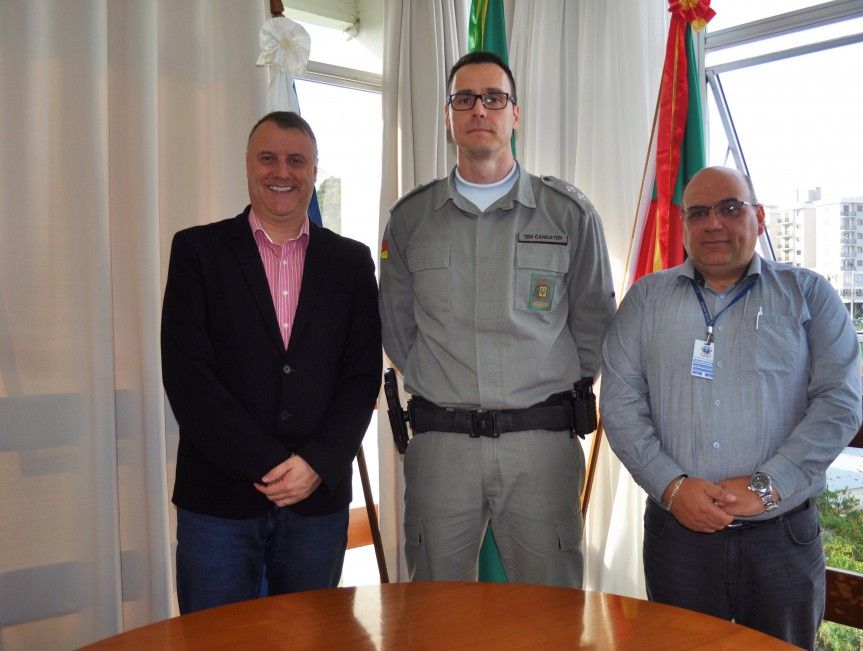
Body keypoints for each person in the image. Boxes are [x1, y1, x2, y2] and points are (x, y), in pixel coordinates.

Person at [378, 51, 616, 587]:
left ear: (515, 113)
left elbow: (594, 321)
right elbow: (398, 326)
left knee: (551, 614)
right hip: (442, 446)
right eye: (464, 99)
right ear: (448, 116)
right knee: (435, 616)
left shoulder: (567, 214)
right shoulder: (412, 219)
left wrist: (545, 386)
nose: (478, 110)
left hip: (540, 445)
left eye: (493, 98)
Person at [600, 166, 862, 648]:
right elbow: (619, 404)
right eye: (698, 213)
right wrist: (672, 487)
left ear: (758, 217)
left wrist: (767, 486)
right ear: (683, 226)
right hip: (678, 537)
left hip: (781, 537)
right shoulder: (645, 301)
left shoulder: (808, 295)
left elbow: (839, 404)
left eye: (729, 208)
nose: (713, 223)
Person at [161, 111, 381, 613]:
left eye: (296, 160)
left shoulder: (351, 262)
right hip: (218, 501)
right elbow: (188, 376)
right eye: (268, 158)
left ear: (314, 169)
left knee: (309, 640)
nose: (282, 171)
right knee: (216, 644)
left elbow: (361, 377)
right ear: (247, 165)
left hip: (317, 502)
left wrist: (316, 465)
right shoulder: (197, 251)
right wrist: (270, 463)